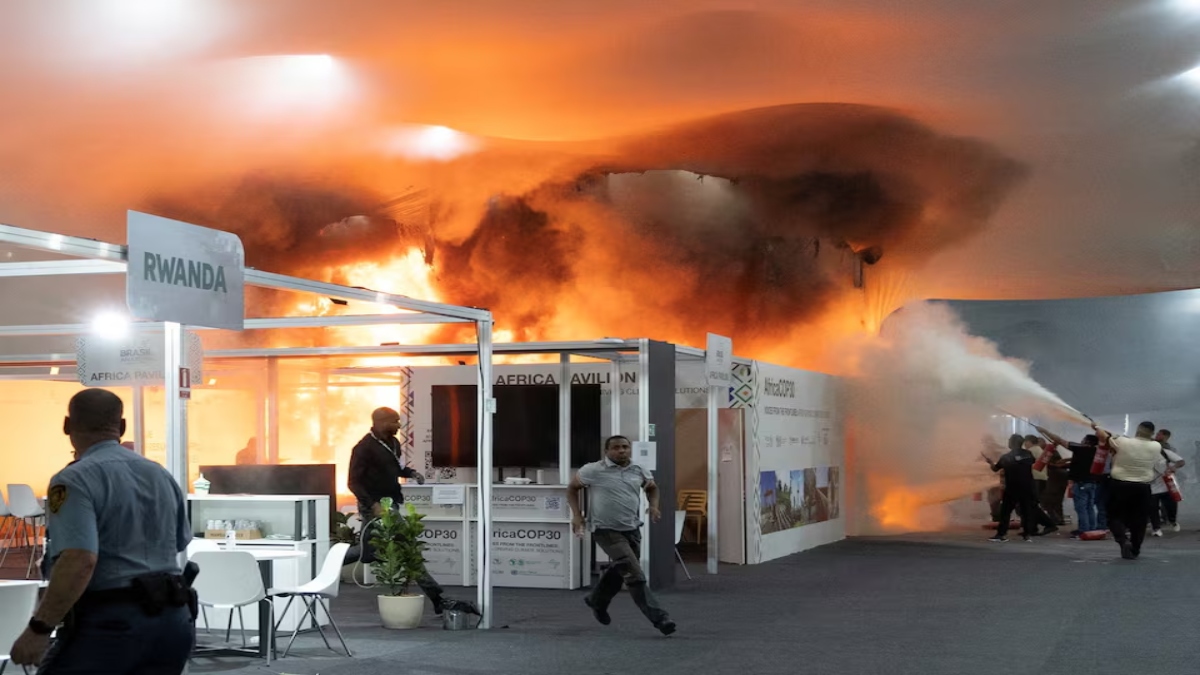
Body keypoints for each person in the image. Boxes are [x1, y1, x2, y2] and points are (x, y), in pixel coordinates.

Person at [9, 388, 196, 672]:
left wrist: (39, 629)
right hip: (172, 622)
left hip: (111, 624)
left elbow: (79, 559)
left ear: (67, 425)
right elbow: (180, 542)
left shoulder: (74, 479)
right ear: (121, 427)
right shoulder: (160, 474)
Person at [568, 435, 676, 636]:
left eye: (625, 447)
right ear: (607, 451)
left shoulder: (638, 470)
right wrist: (577, 515)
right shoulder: (593, 470)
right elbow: (572, 489)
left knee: (621, 570)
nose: (621, 451)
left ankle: (597, 600)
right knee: (634, 573)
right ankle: (660, 619)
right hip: (605, 529)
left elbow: (652, 488)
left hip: (632, 528)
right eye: (616, 448)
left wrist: (653, 506)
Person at [346, 407, 446, 613]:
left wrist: (411, 472)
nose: (399, 426)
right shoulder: (363, 448)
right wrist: (372, 505)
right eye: (394, 421)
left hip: (391, 503)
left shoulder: (393, 443)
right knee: (407, 547)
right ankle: (437, 597)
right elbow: (353, 482)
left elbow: (396, 467)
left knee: (369, 551)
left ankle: (322, 561)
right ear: (381, 422)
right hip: (374, 507)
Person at [1093, 420, 1162, 560]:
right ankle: (1135, 549)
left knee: (1114, 516)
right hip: (1143, 487)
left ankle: (1123, 540)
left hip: (1119, 484)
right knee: (1140, 520)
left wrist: (1097, 426)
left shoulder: (1123, 442)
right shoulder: (1156, 446)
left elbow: (1104, 436)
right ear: (1152, 433)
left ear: (1137, 430)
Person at [987, 434, 1057, 542]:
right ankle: (1027, 534)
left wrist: (990, 463)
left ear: (1013, 443)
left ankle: (1001, 535)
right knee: (1027, 510)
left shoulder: (1007, 457)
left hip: (1012, 488)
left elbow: (996, 469)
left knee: (1005, 512)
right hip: (1028, 487)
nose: (1008, 442)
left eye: (1010, 440)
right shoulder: (1028, 454)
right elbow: (1032, 462)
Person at [1037, 428, 1099, 536]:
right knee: (1089, 507)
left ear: (1087, 442)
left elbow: (1061, 441)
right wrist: (1066, 462)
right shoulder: (1095, 451)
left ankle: (1083, 529)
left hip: (1081, 483)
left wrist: (1044, 431)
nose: (1081, 441)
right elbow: (1080, 463)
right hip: (1092, 483)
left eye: (1083, 440)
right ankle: (1091, 528)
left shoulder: (1081, 449)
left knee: (1081, 507)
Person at [1149, 431, 1184, 536]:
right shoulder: (1142, 455)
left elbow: (1181, 461)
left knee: (1171, 506)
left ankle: (1172, 520)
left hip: (1166, 485)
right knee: (1152, 508)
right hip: (1151, 486)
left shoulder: (1165, 452)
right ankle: (1156, 528)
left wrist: (1173, 468)